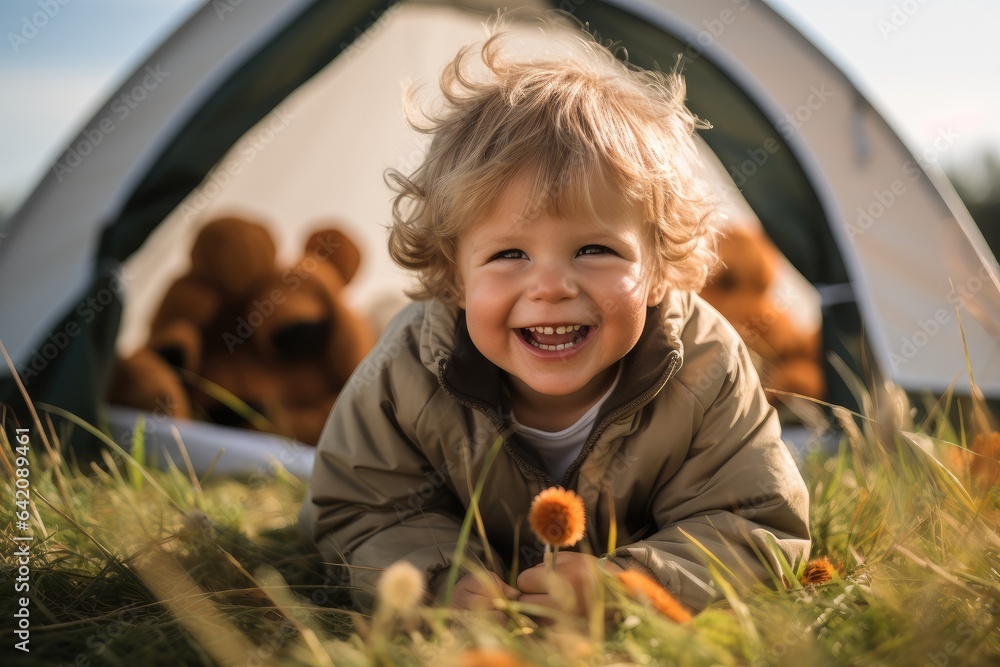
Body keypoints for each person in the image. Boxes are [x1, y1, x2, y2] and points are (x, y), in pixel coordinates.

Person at [307, 21, 810, 619]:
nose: (550, 287)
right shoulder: (408, 367)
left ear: (656, 269)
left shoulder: (705, 364)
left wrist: (631, 588)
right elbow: (361, 508)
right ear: (455, 278)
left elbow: (754, 519)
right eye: (509, 254)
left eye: (595, 250)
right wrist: (434, 576)